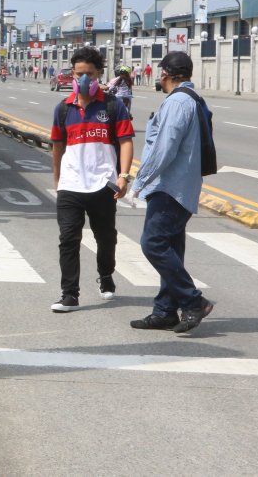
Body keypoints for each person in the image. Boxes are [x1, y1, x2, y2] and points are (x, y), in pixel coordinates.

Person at [130, 52, 215, 333]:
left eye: (159, 71)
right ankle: (166, 311)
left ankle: (193, 301)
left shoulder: (178, 102)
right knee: (171, 250)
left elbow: (165, 148)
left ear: (165, 73)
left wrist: (140, 180)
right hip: (179, 186)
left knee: (152, 243)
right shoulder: (191, 98)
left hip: (171, 188)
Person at [49, 46, 134, 313]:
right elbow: (57, 146)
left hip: (102, 184)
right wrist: (58, 179)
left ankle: (106, 274)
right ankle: (69, 294)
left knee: (106, 238)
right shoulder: (63, 108)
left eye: (88, 73)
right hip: (71, 186)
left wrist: (123, 176)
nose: (83, 79)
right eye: (78, 74)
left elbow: (125, 142)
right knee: (68, 239)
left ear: (99, 73)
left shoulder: (112, 105)